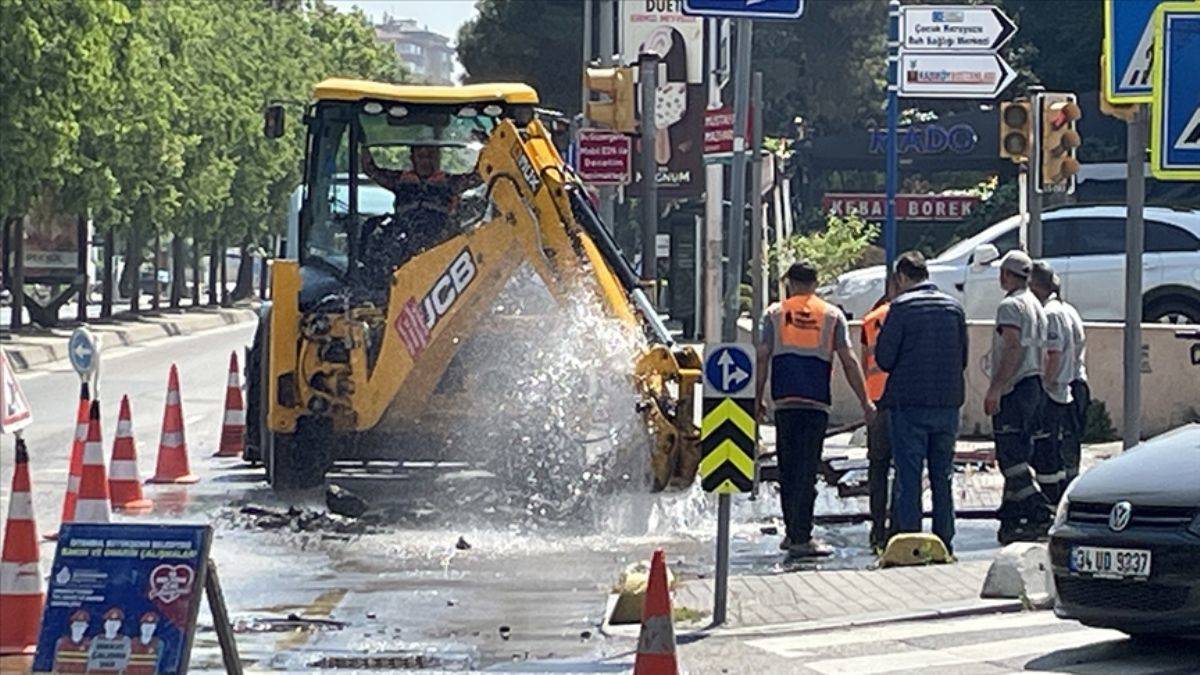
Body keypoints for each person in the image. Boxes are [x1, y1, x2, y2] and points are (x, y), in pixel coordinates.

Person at [757, 260, 877, 558]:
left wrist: (756, 397)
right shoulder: (831, 315)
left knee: (788, 469)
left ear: (791, 282)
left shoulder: (774, 314)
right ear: (815, 282)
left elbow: (761, 357)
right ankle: (802, 537)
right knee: (807, 470)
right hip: (816, 403)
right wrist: (865, 401)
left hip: (784, 402)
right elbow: (849, 360)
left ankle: (792, 532)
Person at [874, 251, 968, 553]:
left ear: (901, 277)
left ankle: (912, 543)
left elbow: (885, 359)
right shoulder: (954, 308)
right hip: (947, 403)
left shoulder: (900, 308)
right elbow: (962, 357)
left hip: (909, 405)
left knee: (909, 475)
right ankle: (945, 541)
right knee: (943, 475)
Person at [984, 250, 1050, 544]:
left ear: (1008, 275)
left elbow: (1012, 348)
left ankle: (1039, 511)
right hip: (1034, 385)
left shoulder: (1010, 306)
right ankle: (1011, 519)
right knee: (1021, 453)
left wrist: (996, 388)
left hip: (1015, 387)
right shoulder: (1036, 304)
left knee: (1010, 458)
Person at [1028, 261, 1088, 500]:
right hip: (1075, 386)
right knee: (1069, 454)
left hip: (1058, 390)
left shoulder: (1050, 314)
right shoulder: (1068, 309)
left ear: (1034, 286)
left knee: (1049, 455)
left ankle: (1052, 504)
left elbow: (1054, 355)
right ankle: (1067, 500)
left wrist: (1042, 389)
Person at [860, 278, 895, 552]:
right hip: (903, 402)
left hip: (877, 400)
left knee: (878, 467)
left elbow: (864, 363)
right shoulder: (906, 316)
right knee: (906, 467)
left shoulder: (870, 320)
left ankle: (876, 528)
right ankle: (898, 527)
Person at [361, 144, 481, 222]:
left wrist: (487, 145)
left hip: (443, 244)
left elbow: (479, 176)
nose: (425, 161)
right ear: (412, 158)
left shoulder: (449, 182)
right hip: (404, 243)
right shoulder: (400, 181)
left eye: (430, 156)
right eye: (421, 156)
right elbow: (370, 169)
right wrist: (362, 142)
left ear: (438, 158)